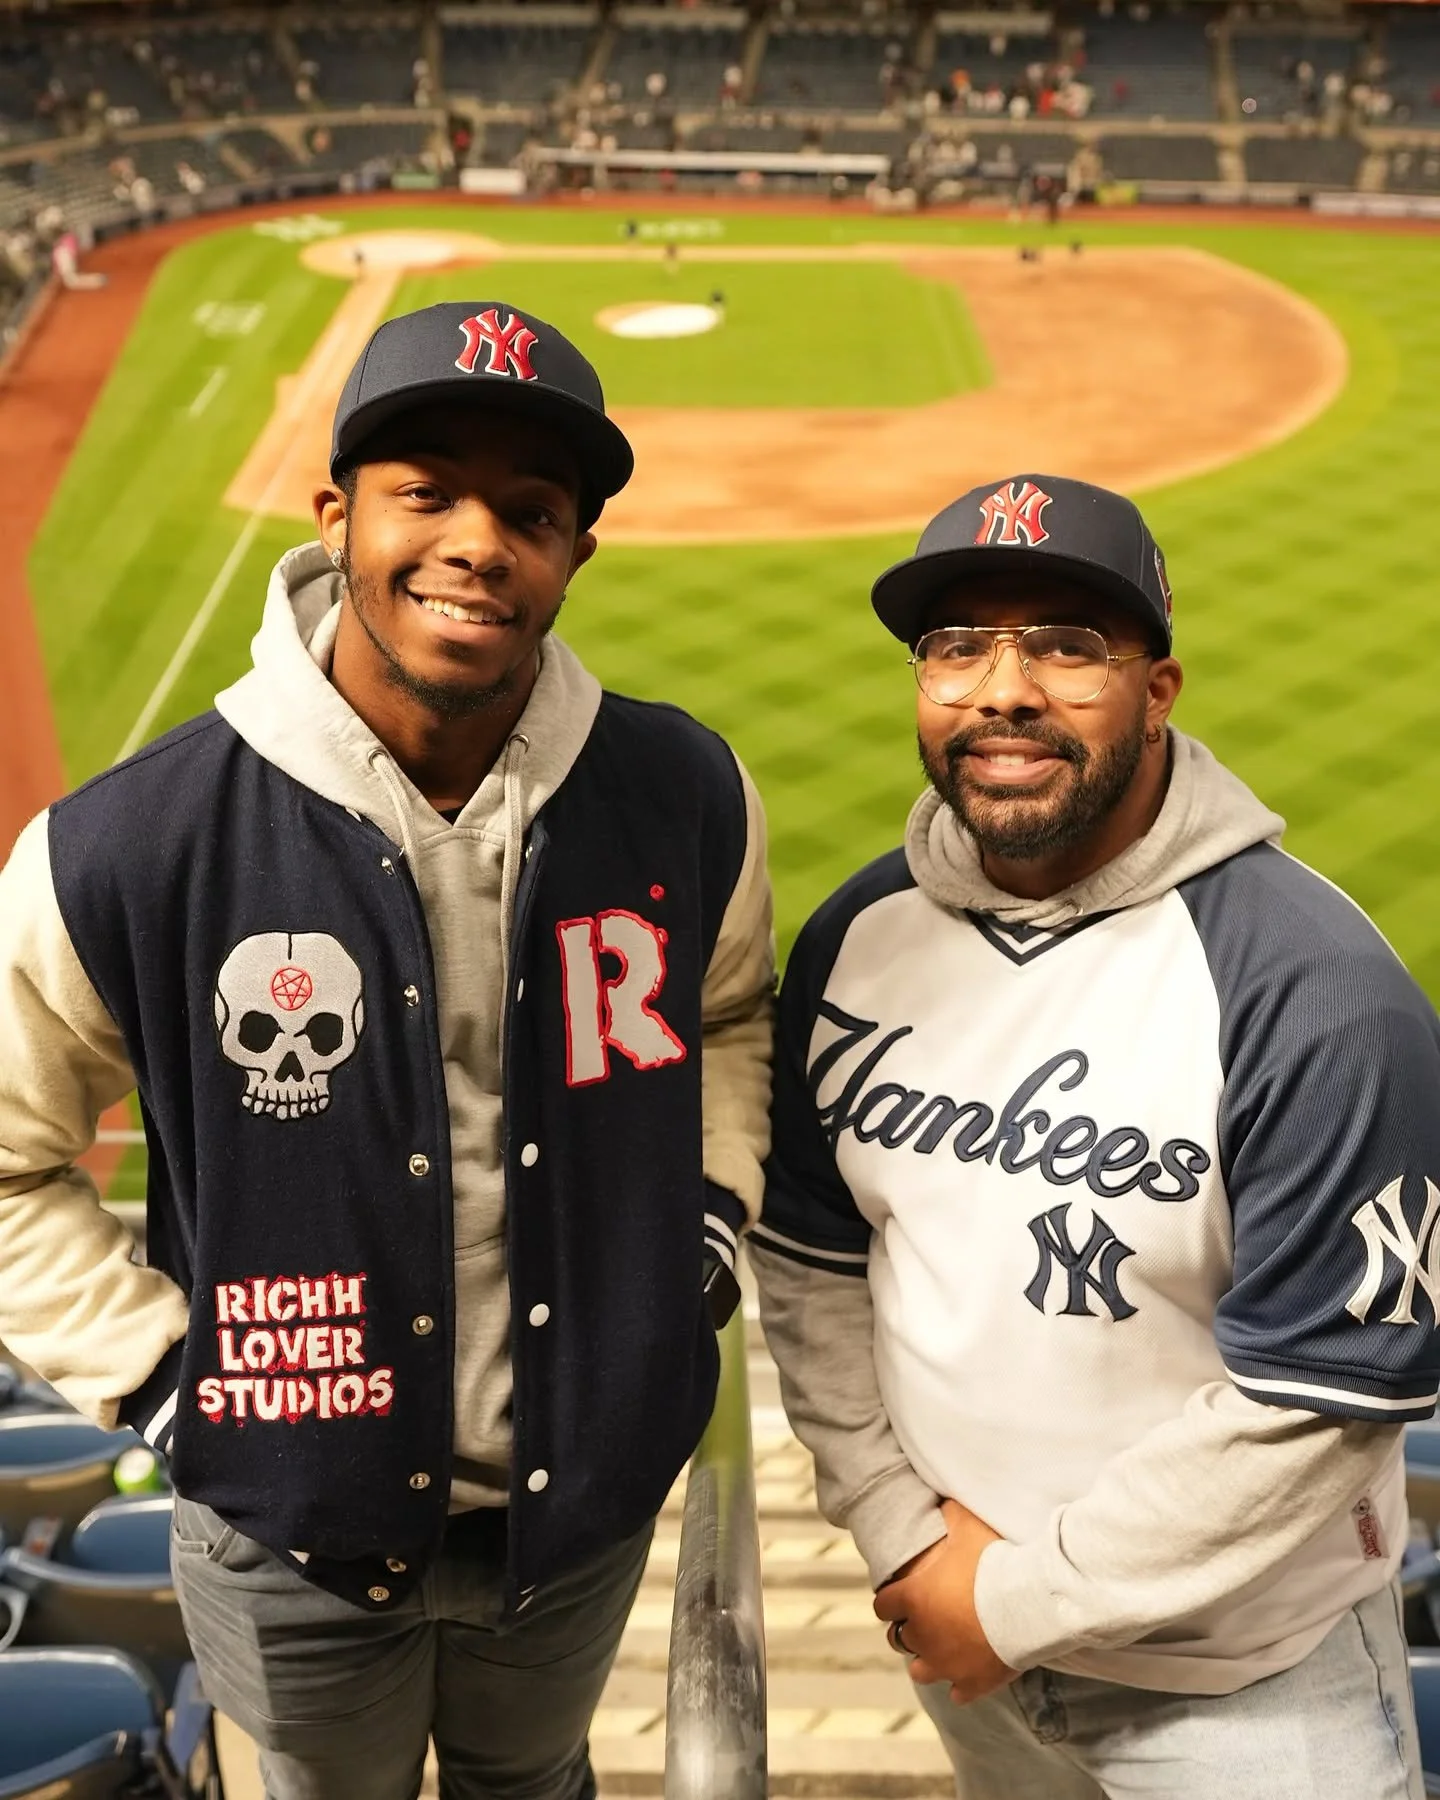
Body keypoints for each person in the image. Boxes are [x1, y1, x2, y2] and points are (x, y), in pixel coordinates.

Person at [0, 300, 775, 1799]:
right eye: (426, 491)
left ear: (576, 551)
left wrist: (701, 1240)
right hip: (283, 1527)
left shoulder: (685, 792)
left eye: (530, 511)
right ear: (337, 514)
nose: (478, 542)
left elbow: (731, 1016)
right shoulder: (127, 844)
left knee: (534, 1781)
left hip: (581, 1514)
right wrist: (166, 1383)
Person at [751, 472, 1435, 1799]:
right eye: (958, 646)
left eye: (1067, 647)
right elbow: (815, 1268)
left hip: (1249, 1684)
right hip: (957, 1638)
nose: (1003, 690)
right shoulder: (856, 940)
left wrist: (1012, 1602)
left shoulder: (1316, 996)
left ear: (1158, 689)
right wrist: (904, 1542)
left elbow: (1324, 1396)